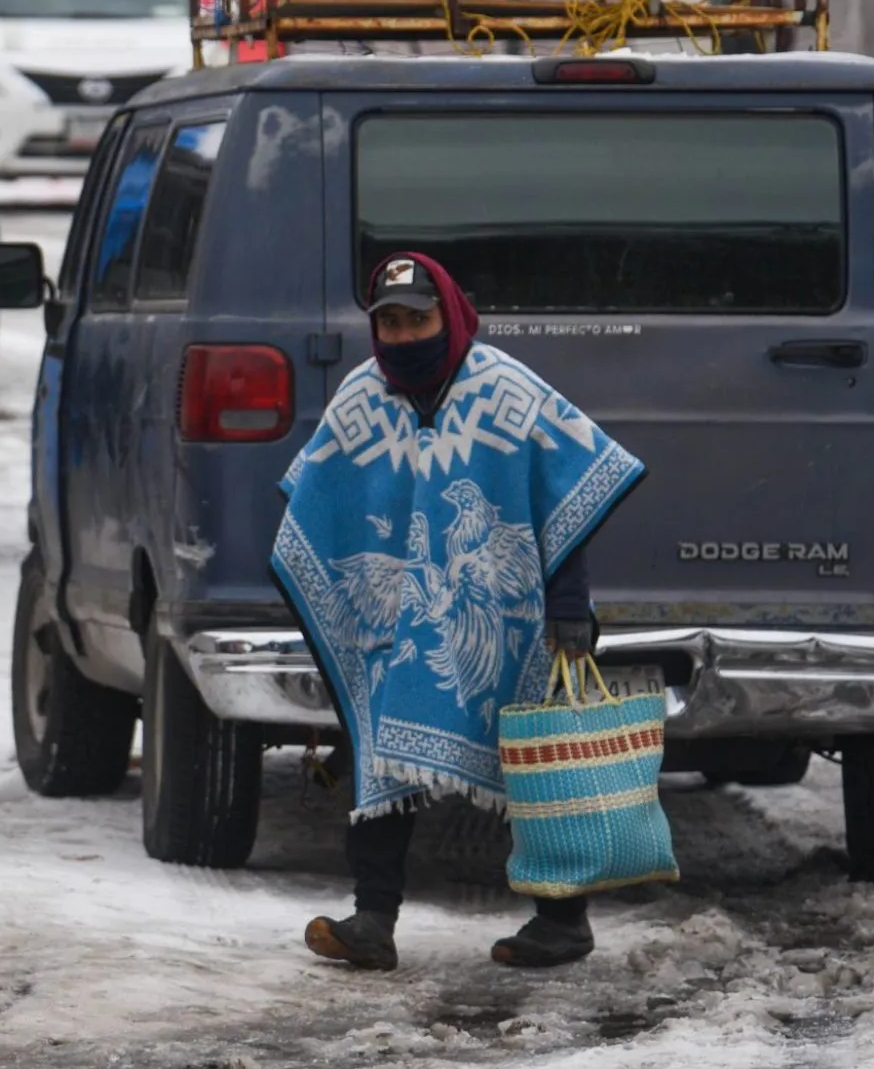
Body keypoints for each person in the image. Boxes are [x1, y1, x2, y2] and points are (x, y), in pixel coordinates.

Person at [271, 253, 645, 971]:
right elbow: (320, 501)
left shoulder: (509, 389)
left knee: (538, 760)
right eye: (390, 322)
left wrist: (569, 607)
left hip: (510, 616)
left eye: (418, 318)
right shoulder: (362, 398)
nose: (406, 335)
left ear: (449, 312)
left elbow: (562, 496)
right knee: (377, 751)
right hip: (397, 621)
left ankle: (562, 922)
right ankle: (372, 918)